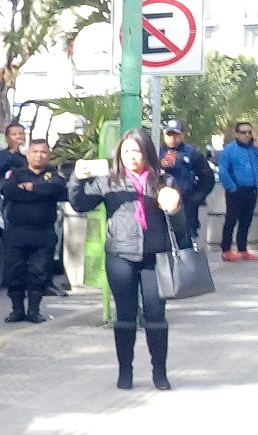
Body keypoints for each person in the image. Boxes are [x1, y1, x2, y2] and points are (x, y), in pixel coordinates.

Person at [70, 127, 186, 390]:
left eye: (137, 151)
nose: (131, 156)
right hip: (120, 255)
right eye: (126, 151)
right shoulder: (108, 182)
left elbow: (180, 225)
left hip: (155, 255)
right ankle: (125, 372)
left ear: (147, 153)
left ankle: (160, 372)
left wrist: (175, 208)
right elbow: (79, 204)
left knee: (156, 316)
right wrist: (76, 180)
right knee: (125, 315)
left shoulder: (163, 181)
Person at [0, 138, 68, 324]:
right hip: (17, 232)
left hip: (43, 233)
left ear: (48, 155)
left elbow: (58, 189)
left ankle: (34, 311)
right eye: (35, 152)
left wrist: (31, 188)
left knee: (39, 273)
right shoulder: (17, 173)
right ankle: (17, 310)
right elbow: (9, 190)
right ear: (28, 154)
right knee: (14, 273)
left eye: (43, 152)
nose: (39, 155)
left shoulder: (53, 175)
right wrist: (40, 193)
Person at [216, 119, 258, 261]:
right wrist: (231, 187)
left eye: (249, 132)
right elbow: (223, 170)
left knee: (246, 220)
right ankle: (226, 250)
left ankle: (242, 249)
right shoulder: (229, 150)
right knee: (231, 220)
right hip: (236, 190)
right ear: (237, 134)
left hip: (251, 189)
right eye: (243, 132)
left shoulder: (253, 149)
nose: (247, 135)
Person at [157, 119, 214, 244]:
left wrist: (196, 198)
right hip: (160, 205)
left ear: (182, 135)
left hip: (186, 205)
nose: (172, 138)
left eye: (176, 134)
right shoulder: (156, 152)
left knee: (186, 240)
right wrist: (159, 165)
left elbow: (207, 178)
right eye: (169, 134)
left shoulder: (192, 153)